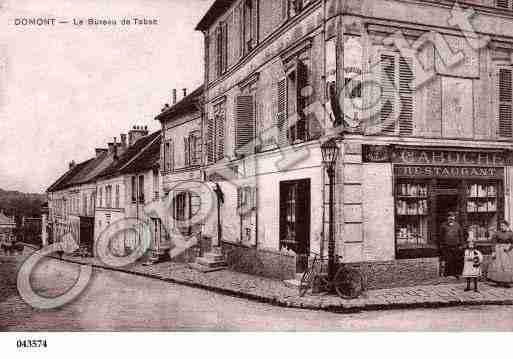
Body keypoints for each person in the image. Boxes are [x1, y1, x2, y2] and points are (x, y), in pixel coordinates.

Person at [439, 211, 466, 279]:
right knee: (448, 259)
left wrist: (461, 245)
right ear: (447, 218)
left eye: (452, 216)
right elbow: (441, 236)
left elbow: (461, 235)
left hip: (456, 245)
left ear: (454, 218)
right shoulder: (443, 225)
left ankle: (456, 273)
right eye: (449, 216)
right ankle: (447, 273)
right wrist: (441, 245)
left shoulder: (457, 225)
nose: (451, 218)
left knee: (456, 259)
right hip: (447, 245)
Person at [487, 220, 513, 288]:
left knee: (506, 266)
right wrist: (493, 251)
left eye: (503, 226)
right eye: (501, 226)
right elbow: (493, 243)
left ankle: (507, 281)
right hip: (498, 251)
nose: (502, 227)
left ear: (507, 226)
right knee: (498, 266)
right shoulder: (497, 233)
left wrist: (509, 247)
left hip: (507, 252)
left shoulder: (511, 234)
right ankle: (498, 281)